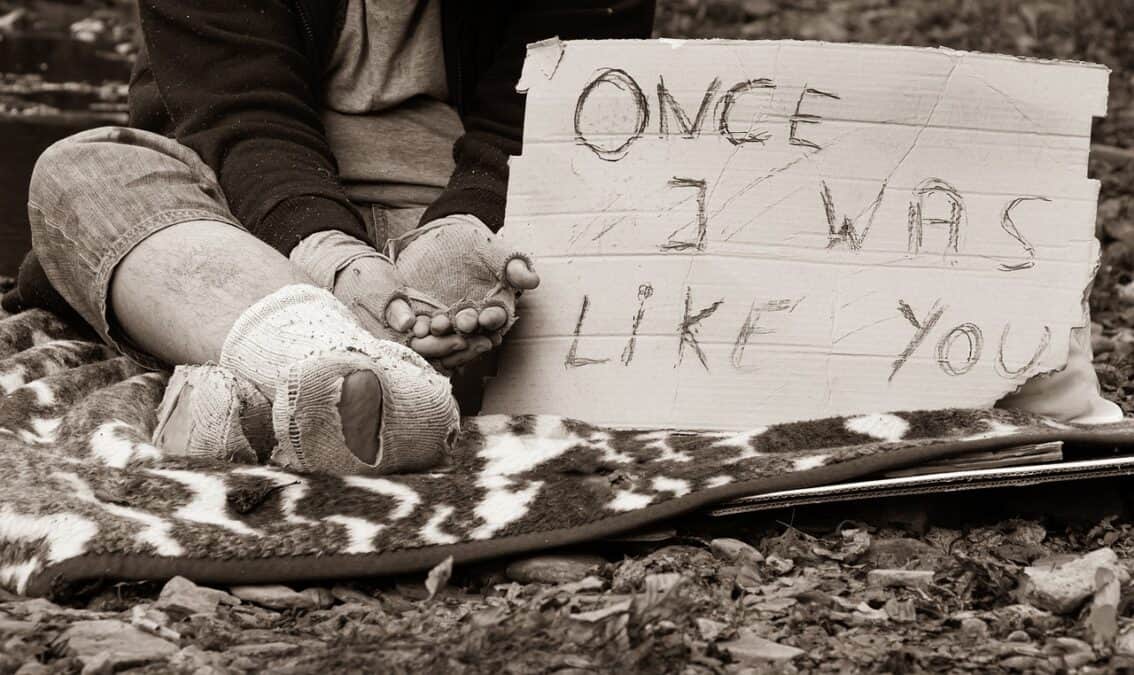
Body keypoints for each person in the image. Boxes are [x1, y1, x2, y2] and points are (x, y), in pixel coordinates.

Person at [0, 1, 658, 474]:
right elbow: (242, 119)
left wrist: (464, 236)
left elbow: (544, 122)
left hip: (461, 228)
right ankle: (348, 367)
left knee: (612, 214)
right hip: (247, 225)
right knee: (82, 173)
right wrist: (333, 258)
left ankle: (298, 381)